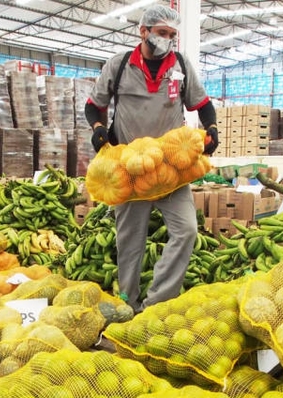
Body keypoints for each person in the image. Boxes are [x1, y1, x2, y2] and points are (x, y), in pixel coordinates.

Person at [84, 4, 218, 313]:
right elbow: (94, 105)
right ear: (143, 31)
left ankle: (158, 301)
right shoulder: (119, 66)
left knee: (186, 230)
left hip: (172, 169)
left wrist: (211, 126)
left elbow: (203, 104)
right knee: (130, 242)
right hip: (129, 171)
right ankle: (128, 304)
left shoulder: (180, 66)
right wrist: (99, 128)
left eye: (172, 35)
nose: (167, 40)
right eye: (161, 33)